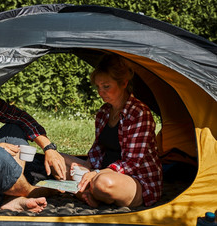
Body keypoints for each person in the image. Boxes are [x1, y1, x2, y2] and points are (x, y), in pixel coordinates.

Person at [60, 54, 163, 208]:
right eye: (98, 87)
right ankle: (90, 193)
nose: (101, 92)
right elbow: (98, 149)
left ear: (123, 83)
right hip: (103, 169)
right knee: (58, 160)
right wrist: (87, 166)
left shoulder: (139, 113)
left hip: (134, 179)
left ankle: (88, 192)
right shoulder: (103, 112)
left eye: (106, 86)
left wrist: (95, 174)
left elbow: (132, 162)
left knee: (102, 184)